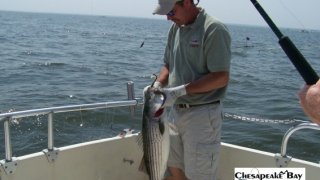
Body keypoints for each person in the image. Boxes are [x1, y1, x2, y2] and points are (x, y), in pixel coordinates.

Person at [150, 0, 231, 179]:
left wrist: (180, 91)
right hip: (174, 112)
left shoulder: (213, 29)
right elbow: (168, 64)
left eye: (171, 12)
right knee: (173, 165)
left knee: (199, 174)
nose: (168, 18)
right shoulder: (176, 28)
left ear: (187, 2)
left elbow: (221, 77)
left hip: (202, 115)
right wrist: (158, 85)